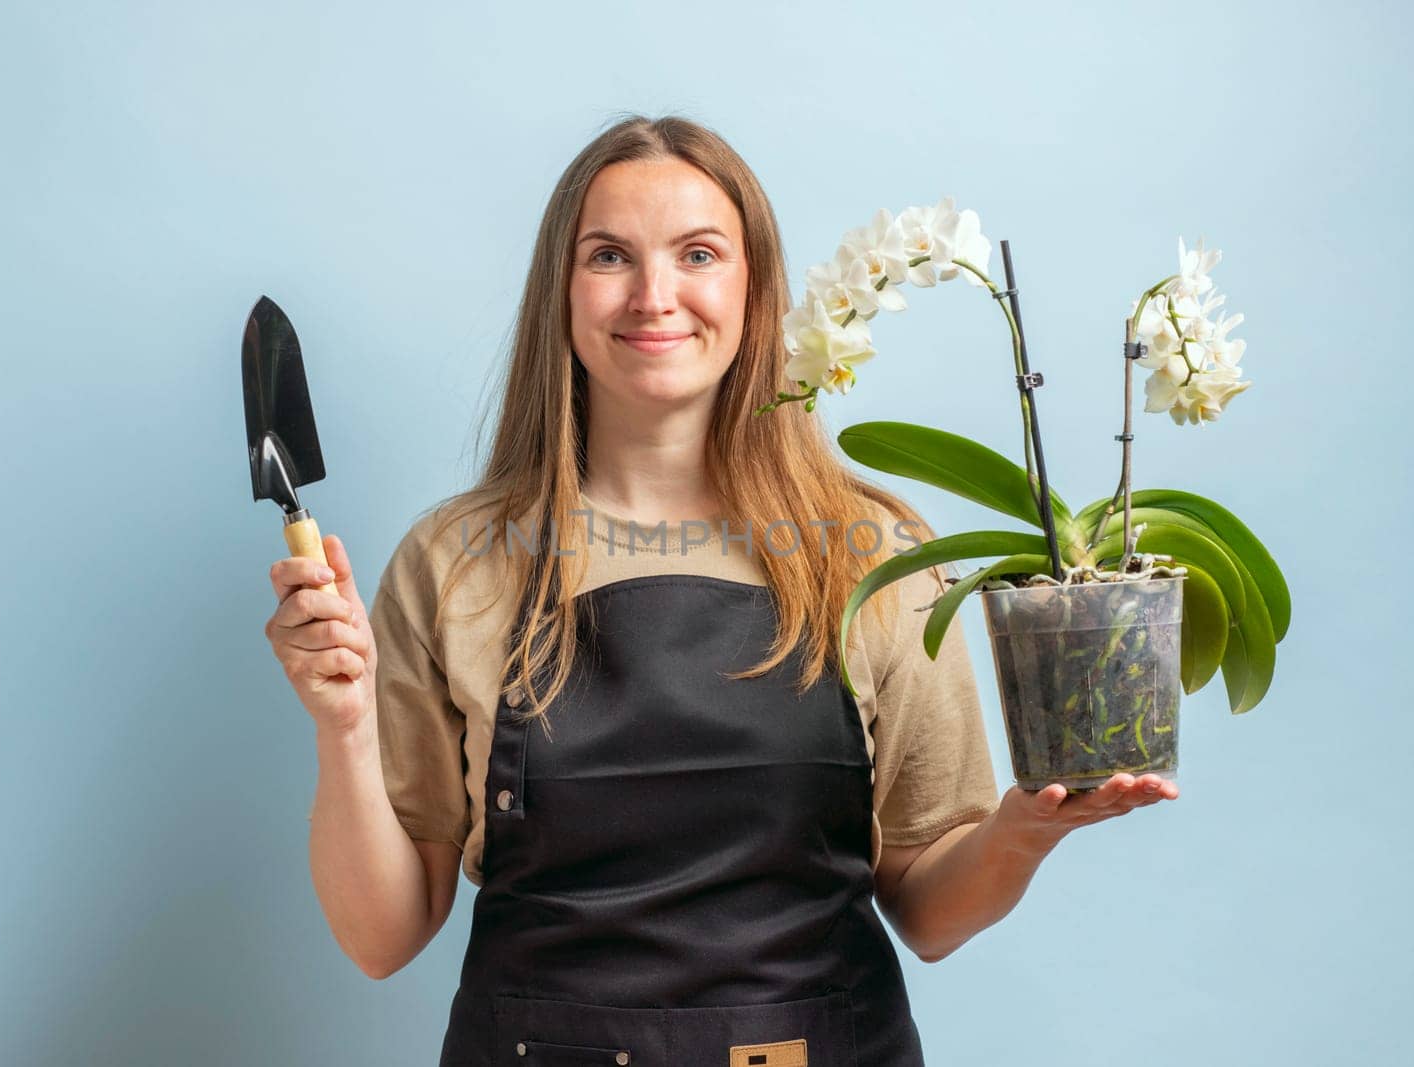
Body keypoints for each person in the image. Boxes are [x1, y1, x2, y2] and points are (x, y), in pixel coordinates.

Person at [264, 113, 1178, 1066]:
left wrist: (1023, 828)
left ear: (755, 288)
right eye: (609, 255)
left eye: (698, 253)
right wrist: (344, 725)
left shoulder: (871, 550)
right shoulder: (455, 560)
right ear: (560, 293)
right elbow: (382, 938)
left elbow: (931, 910)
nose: (655, 296)